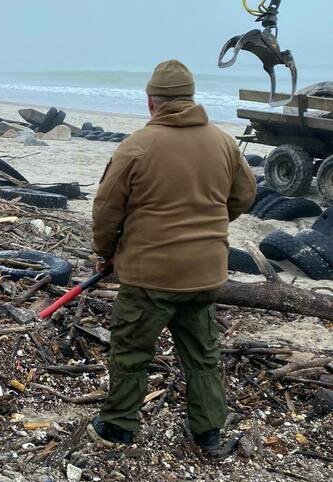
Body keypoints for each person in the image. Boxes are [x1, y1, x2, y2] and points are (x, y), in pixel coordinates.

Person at [89, 60, 256, 454]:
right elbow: (245, 196)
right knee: (202, 354)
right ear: (191, 99)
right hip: (204, 274)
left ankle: (119, 425)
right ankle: (209, 432)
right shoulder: (224, 143)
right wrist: (212, 222)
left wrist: (105, 252)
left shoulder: (136, 146)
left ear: (152, 103)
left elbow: (107, 211)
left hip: (150, 276)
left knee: (130, 350)